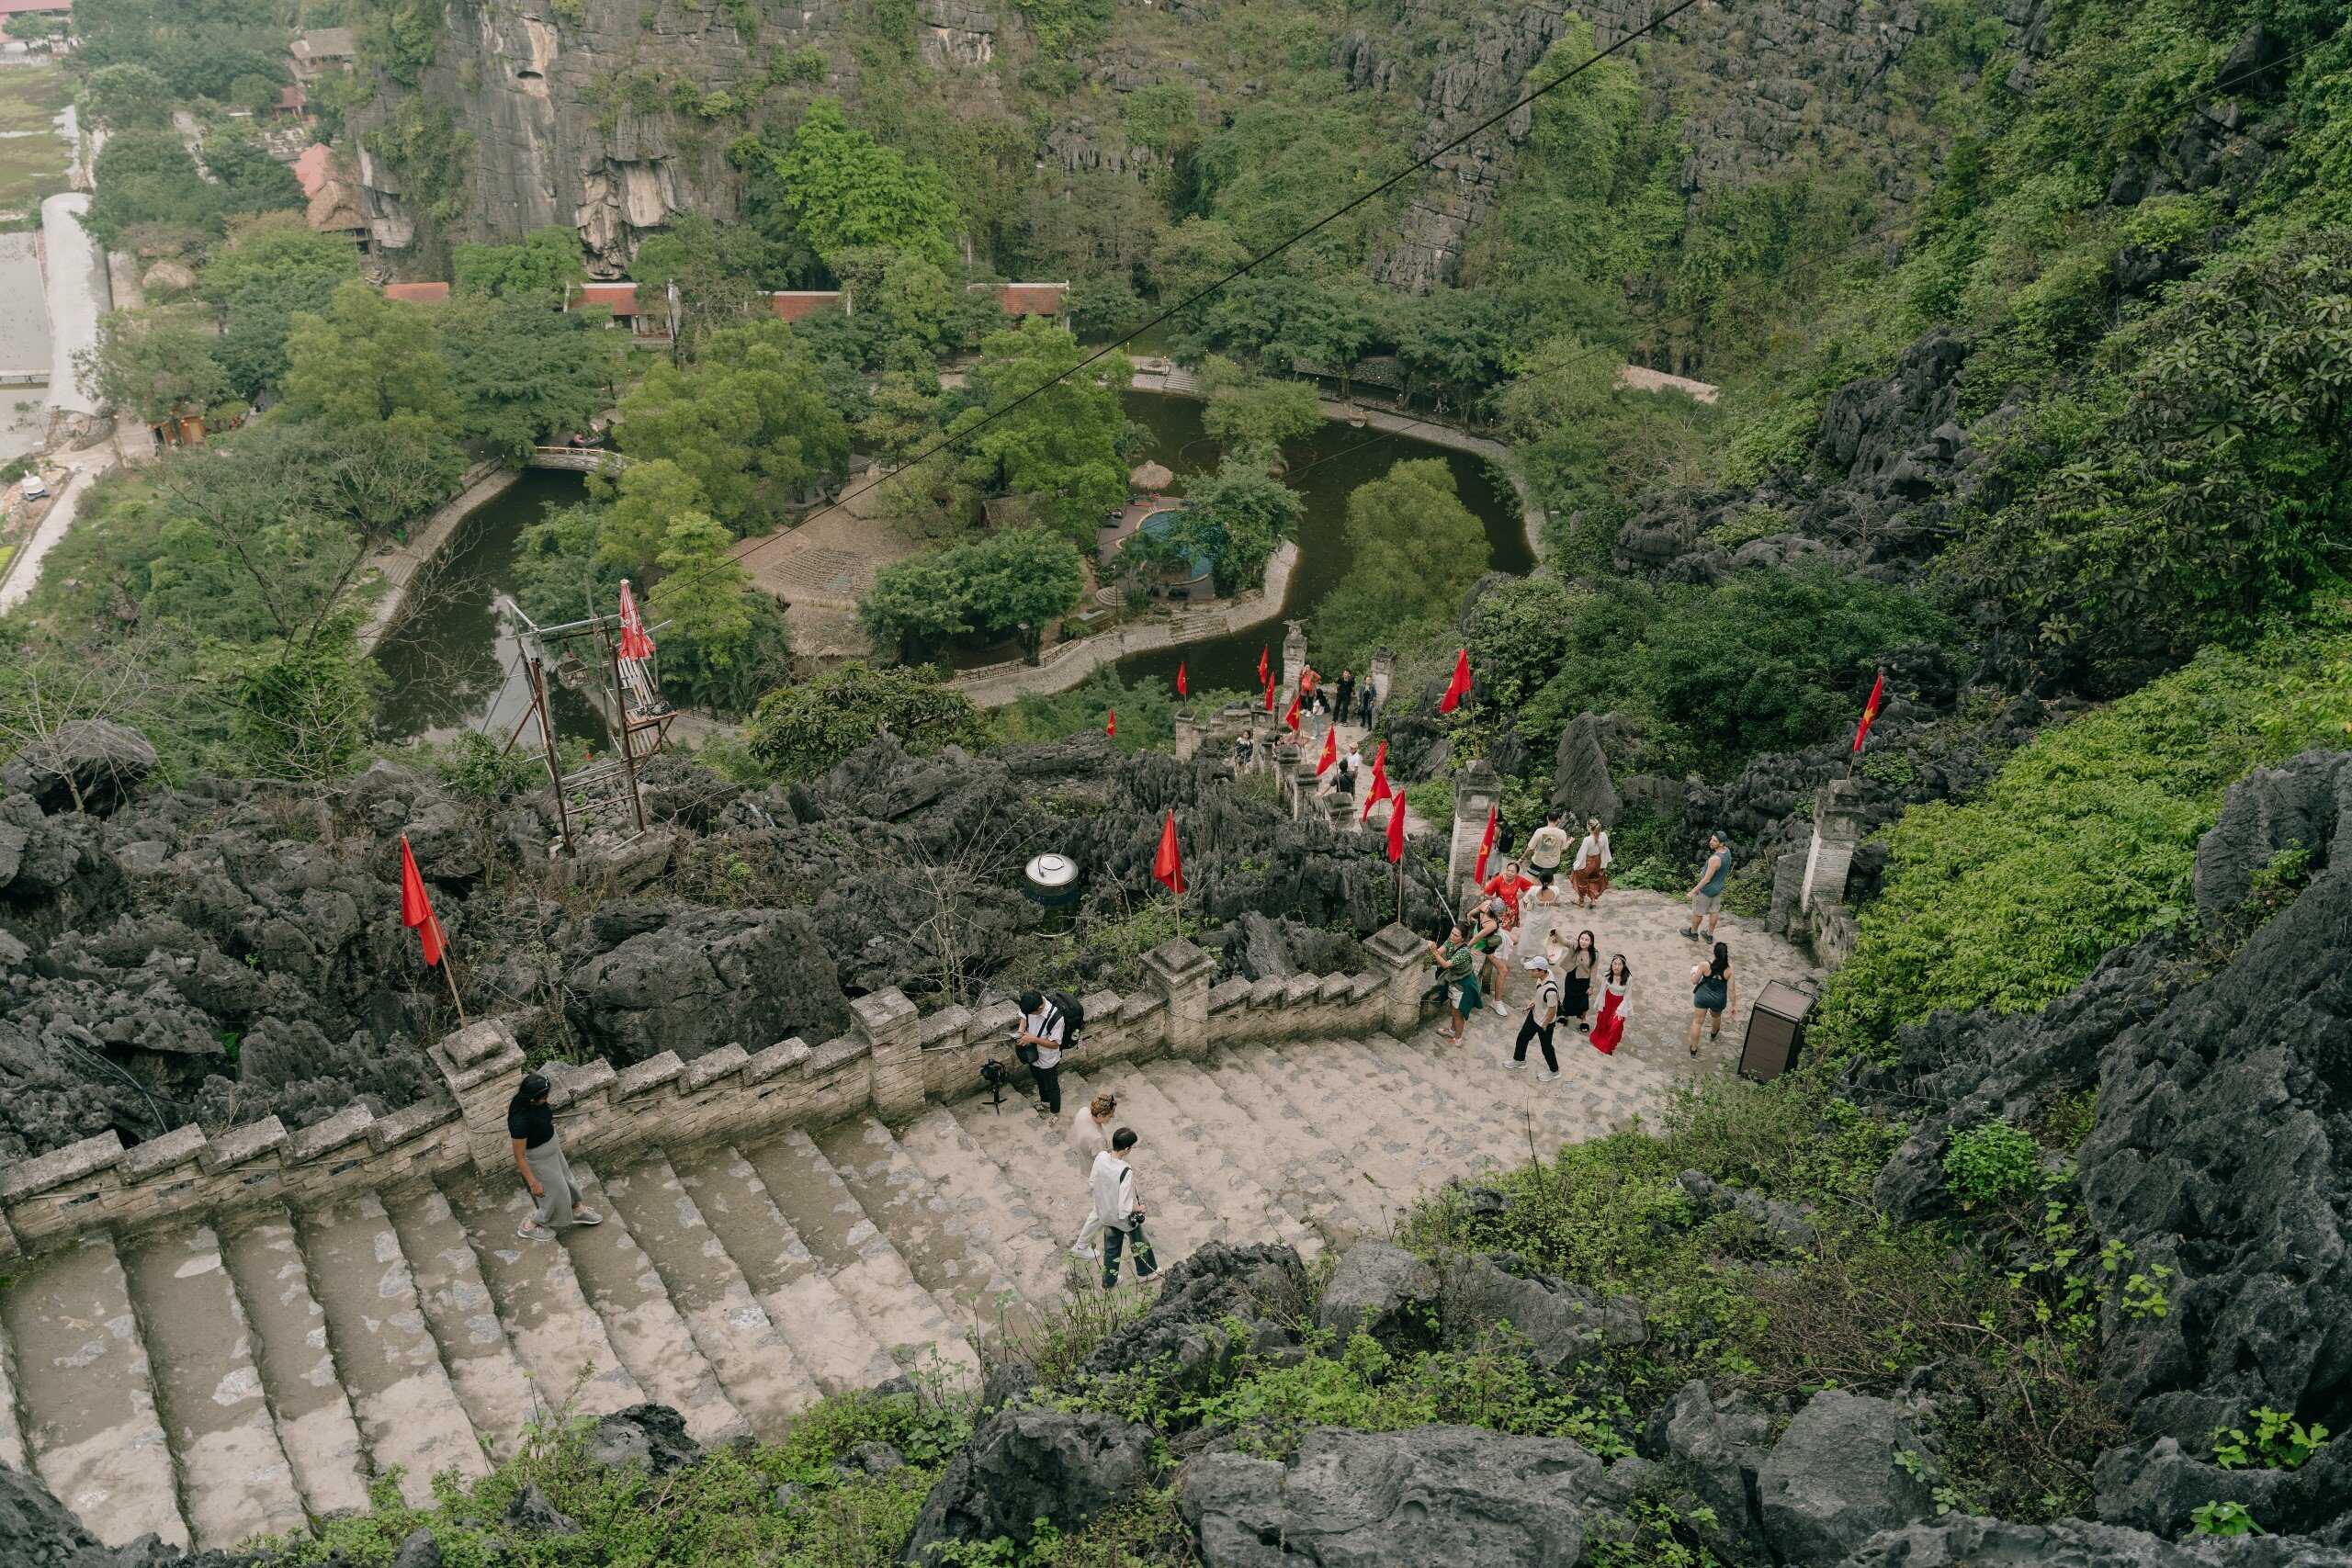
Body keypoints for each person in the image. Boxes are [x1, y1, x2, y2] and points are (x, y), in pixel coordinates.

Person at [508, 1073, 603, 1241]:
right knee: (553, 1193)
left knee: (568, 1182)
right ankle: (531, 1225)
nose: (547, 1099)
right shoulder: (519, 1121)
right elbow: (519, 1156)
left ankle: (577, 1209)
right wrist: (533, 1183)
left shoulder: (534, 1104)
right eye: (544, 1097)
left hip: (552, 1149)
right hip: (539, 1159)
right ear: (532, 1099)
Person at [1092, 1127, 1158, 1290]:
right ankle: (1147, 1272)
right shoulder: (1125, 1170)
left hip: (1105, 1213)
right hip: (1122, 1218)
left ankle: (1109, 1281)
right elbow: (1125, 1206)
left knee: (1111, 1250)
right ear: (1127, 1148)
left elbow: (1092, 1182)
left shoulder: (1101, 1157)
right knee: (1140, 1242)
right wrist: (1139, 1208)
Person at [1069, 1093, 1117, 1258]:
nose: (1112, 1118)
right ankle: (1081, 1246)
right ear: (1100, 1115)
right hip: (1097, 1174)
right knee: (1099, 1210)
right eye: (1110, 1116)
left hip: (1085, 1160)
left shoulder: (1083, 1112)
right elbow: (1103, 1165)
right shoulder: (1097, 1139)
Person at [1012, 989, 1068, 1117]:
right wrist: (1021, 1032)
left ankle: (1055, 1112)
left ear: (1040, 1007)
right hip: (1033, 1055)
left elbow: (1055, 1044)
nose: (1029, 1015)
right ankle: (1045, 1103)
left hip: (1048, 1060)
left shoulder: (1057, 1018)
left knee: (1052, 1086)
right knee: (1039, 1080)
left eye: (1032, 1013)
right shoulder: (1032, 1003)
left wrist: (1033, 1039)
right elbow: (1023, 1017)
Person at [1510, 954, 1563, 1081]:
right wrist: (1533, 1002)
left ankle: (1554, 1071)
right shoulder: (1544, 975)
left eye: (1533, 970)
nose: (1530, 972)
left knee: (1546, 1047)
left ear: (1541, 971)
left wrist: (1544, 1024)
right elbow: (1539, 993)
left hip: (1545, 1022)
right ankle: (1519, 1060)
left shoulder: (1551, 991)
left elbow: (1552, 1009)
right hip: (1534, 1015)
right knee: (1522, 1037)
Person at [1429, 921, 1480, 1044]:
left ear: (1463, 939)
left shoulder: (1464, 952)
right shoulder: (1451, 941)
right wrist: (1434, 950)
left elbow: (1446, 964)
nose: (1452, 936)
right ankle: (1452, 1031)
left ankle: (1458, 1039)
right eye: (1452, 933)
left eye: (1456, 935)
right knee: (1453, 1008)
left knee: (1458, 1013)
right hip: (1454, 980)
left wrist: (1434, 952)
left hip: (1463, 984)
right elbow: (1441, 951)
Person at [1683, 831, 1734, 941]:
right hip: (1718, 887)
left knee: (1698, 913)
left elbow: (1706, 879)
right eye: (1711, 839)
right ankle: (1709, 935)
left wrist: (1692, 891)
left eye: (1715, 841)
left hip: (1706, 890)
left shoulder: (1715, 859)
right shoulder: (1727, 852)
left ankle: (1693, 933)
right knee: (1714, 911)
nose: (1711, 842)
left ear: (1721, 844)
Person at [1689, 942, 1736, 1056]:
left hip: (1702, 997)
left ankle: (1693, 1049)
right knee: (1716, 1016)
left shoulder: (1704, 965)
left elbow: (1695, 981)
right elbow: (1732, 989)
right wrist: (1734, 1005)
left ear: (1714, 953)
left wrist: (1692, 974)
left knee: (1697, 1022)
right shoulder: (1729, 969)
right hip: (1718, 999)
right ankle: (1714, 1034)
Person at [1476, 897, 1514, 1015]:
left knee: (1515, 939)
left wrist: (1471, 920)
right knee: (1503, 970)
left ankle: (1501, 950)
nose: (1502, 915)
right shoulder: (1491, 924)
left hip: (1487, 933)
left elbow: (1471, 913)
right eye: (1500, 913)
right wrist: (1471, 947)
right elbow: (1477, 938)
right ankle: (1497, 1002)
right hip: (1486, 944)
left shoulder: (1486, 905)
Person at [1524, 811, 1571, 906]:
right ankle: (1550, 898)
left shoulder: (1540, 831)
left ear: (1547, 818)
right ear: (1558, 820)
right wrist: (1569, 842)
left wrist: (1522, 858)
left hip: (1539, 862)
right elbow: (1563, 848)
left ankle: (1535, 899)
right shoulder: (1562, 833)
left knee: (1536, 882)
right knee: (1550, 880)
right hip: (1553, 864)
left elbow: (1530, 848)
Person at [1589, 955, 1631, 1055]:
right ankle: (1600, 1040)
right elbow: (1602, 991)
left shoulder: (1628, 978)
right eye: (1614, 964)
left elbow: (1627, 996)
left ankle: (1609, 1045)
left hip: (1620, 1003)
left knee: (1615, 1025)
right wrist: (1599, 1004)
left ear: (1624, 966)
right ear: (1611, 965)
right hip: (1608, 1000)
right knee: (1603, 1021)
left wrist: (1620, 1010)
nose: (1616, 967)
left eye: (1619, 964)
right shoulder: (1608, 975)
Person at [1569, 818, 1613, 908]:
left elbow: (1581, 855)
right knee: (1594, 879)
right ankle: (1593, 900)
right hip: (1598, 861)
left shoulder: (1587, 839)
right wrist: (1604, 864)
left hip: (1588, 863)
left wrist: (1576, 865)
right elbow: (1606, 850)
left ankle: (1581, 901)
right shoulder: (1604, 836)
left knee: (1581, 880)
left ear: (1589, 827)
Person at [1561, 929, 1599, 1033]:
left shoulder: (1595, 954)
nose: (1583, 941)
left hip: (1584, 980)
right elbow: (1564, 941)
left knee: (1583, 1002)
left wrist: (1591, 986)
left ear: (1591, 942)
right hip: (1571, 977)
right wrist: (1556, 933)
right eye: (1582, 938)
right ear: (1579, 939)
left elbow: (1594, 970)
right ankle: (1565, 1015)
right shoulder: (1574, 946)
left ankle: (1583, 1020)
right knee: (1568, 997)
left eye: (1587, 940)